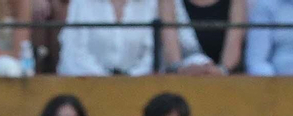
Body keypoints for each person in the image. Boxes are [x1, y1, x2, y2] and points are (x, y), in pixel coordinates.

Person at [55, 0, 220, 75]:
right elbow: (72, 55)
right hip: (91, 90)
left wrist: (203, 66)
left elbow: (189, 48)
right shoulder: (81, 2)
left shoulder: (160, 2)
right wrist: (109, 81)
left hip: (148, 91)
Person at [180, 0, 245, 70]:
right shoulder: (172, 3)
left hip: (224, 73)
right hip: (180, 74)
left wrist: (221, 71)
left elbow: (234, 46)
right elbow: (174, 62)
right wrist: (180, 70)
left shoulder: (236, 3)